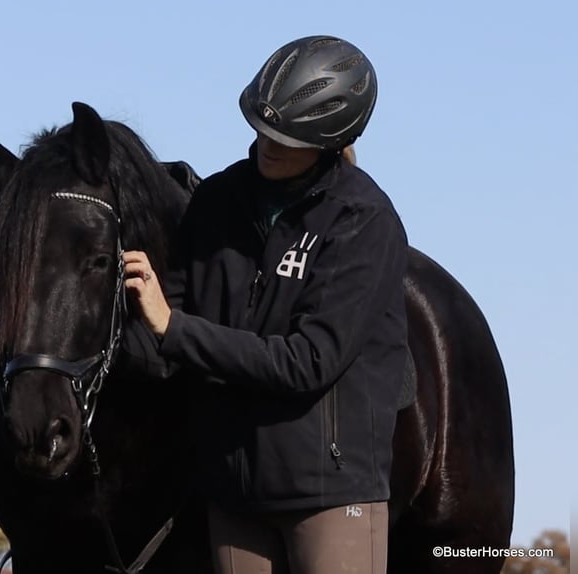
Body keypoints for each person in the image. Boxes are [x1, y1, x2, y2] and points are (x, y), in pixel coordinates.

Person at [122, 35, 407, 574]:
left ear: (330, 141)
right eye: (263, 128)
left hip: (329, 494)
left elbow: (308, 362)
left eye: (290, 137)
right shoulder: (214, 204)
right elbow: (160, 347)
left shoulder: (364, 219)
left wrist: (172, 326)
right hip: (233, 495)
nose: (268, 144)